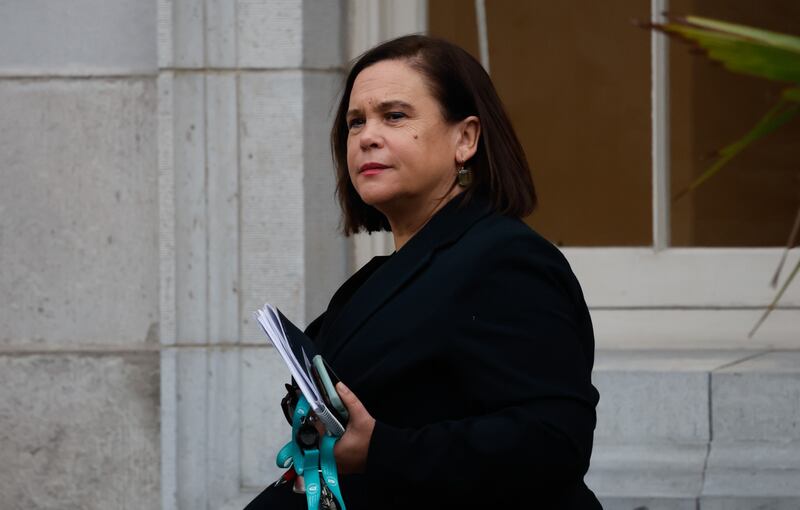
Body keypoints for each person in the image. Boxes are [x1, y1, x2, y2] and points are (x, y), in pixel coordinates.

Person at [246, 34, 601, 509]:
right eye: (355, 122)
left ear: (466, 139)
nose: (367, 135)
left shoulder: (505, 260)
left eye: (394, 116)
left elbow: (554, 440)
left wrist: (381, 450)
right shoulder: (383, 276)